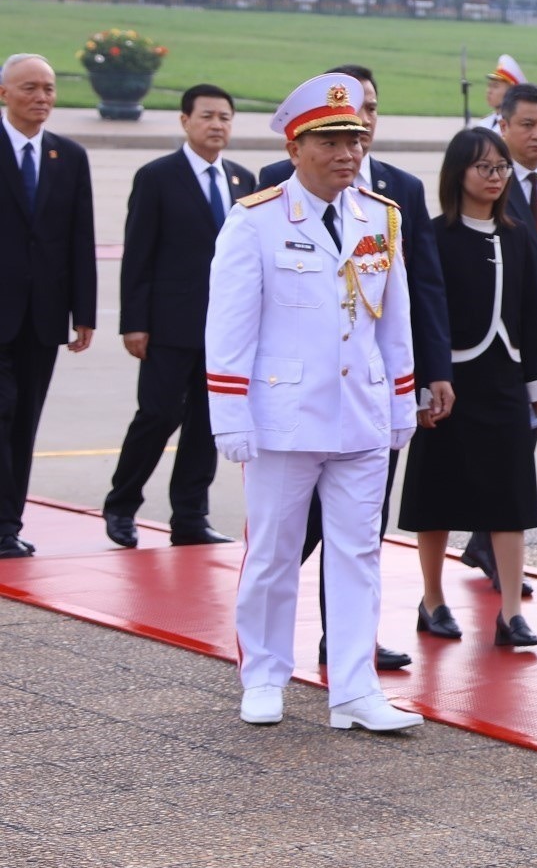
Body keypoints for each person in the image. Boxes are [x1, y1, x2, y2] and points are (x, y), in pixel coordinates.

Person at [209, 73, 421, 732]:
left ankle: (354, 689)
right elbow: (229, 329)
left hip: (360, 414)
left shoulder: (380, 217)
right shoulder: (256, 220)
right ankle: (265, 674)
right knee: (273, 552)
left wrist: (402, 402)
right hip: (285, 418)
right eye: (330, 141)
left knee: (359, 553)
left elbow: (394, 322)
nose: (347, 154)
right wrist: (230, 416)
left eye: (355, 139)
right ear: (296, 147)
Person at [261, 64, 452, 671]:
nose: (359, 125)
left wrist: (433, 371)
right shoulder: (274, 186)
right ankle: (264, 643)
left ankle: (347, 644)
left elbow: (420, 290)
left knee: (362, 528)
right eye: (346, 116)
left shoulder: (400, 192)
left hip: (370, 395)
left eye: (369, 111)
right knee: (291, 533)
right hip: (302, 396)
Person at [398, 129, 537, 647]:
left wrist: (536, 380)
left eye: (501, 167)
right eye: (483, 167)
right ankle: (433, 599)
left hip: (504, 379)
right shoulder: (434, 235)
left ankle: (510, 613)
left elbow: (535, 312)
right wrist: (421, 383)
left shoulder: (518, 234)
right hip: (448, 382)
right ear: (458, 172)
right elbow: (419, 314)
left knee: (510, 494)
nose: (494, 177)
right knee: (437, 490)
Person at [103, 84, 255, 548]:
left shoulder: (242, 181)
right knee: (156, 415)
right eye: (207, 116)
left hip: (224, 330)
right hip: (168, 326)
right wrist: (134, 321)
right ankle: (122, 505)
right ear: (185, 121)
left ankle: (190, 517)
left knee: (207, 424)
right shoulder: (158, 176)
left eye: (225, 117)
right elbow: (139, 254)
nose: (217, 125)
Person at [458, 83, 537, 607]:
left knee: (520, 446)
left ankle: (484, 541)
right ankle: (488, 543)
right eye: (527, 125)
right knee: (502, 449)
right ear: (502, 126)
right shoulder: (487, 187)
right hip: (494, 345)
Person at [0, 53, 95, 559]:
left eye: (50, 89)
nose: (42, 98)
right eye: (30, 88)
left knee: (24, 420)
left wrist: (85, 313)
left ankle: (8, 524)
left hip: (43, 315)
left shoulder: (69, 156)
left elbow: (80, 237)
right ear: (4, 94)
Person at [478, 54, 527, 133]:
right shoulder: (485, 122)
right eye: (489, 86)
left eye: (495, 86)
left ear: (511, 92)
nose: (489, 91)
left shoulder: (514, 126)